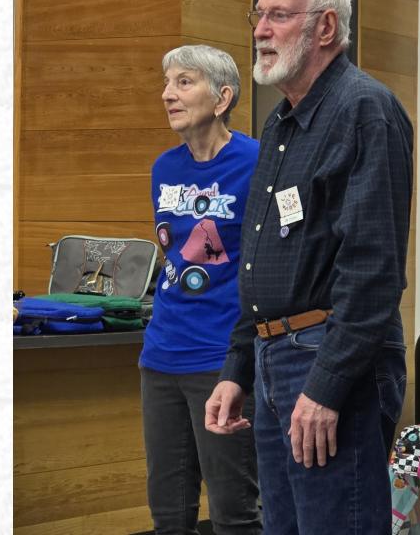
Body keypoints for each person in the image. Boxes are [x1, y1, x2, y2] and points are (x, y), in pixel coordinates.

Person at [204, 0, 413, 534]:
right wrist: (237, 368)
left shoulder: (365, 110)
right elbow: (257, 258)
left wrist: (326, 387)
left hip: (328, 359)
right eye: (258, 15)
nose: (260, 30)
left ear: (325, 27)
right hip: (274, 359)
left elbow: (373, 271)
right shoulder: (280, 125)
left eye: (278, 15)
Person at [140, 44, 262, 534]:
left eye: (184, 82)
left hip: (222, 359)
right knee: (168, 515)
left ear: (222, 97)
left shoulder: (257, 163)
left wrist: (243, 360)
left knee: (234, 513)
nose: (167, 94)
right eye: (167, 83)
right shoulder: (164, 169)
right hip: (160, 357)